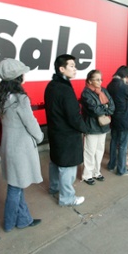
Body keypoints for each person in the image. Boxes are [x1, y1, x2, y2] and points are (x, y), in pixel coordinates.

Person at [0, 59, 43, 232]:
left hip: (9, 146)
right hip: (21, 148)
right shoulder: (20, 98)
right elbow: (31, 122)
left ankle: (24, 219)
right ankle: (9, 222)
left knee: (17, 184)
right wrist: (40, 136)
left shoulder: (0, 96)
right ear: (18, 76)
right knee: (15, 187)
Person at [44, 54, 88, 206]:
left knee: (56, 162)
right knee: (67, 167)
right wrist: (85, 128)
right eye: (71, 66)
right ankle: (67, 198)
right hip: (67, 135)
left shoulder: (51, 86)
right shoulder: (65, 89)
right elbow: (74, 117)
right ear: (61, 69)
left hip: (55, 132)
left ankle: (54, 188)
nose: (75, 69)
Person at [80, 70, 115, 185]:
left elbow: (112, 106)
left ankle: (96, 172)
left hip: (103, 126)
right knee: (90, 151)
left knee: (100, 150)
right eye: (97, 79)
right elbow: (94, 110)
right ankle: (87, 175)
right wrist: (105, 107)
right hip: (91, 126)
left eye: (101, 79)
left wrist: (104, 108)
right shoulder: (86, 93)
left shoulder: (103, 91)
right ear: (90, 80)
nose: (100, 82)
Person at [106, 65, 128, 175]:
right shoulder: (123, 86)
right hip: (124, 119)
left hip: (114, 118)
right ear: (127, 75)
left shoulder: (110, 84)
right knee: (123, 145)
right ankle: (121, 170)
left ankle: (111, 165)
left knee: (114, 142)